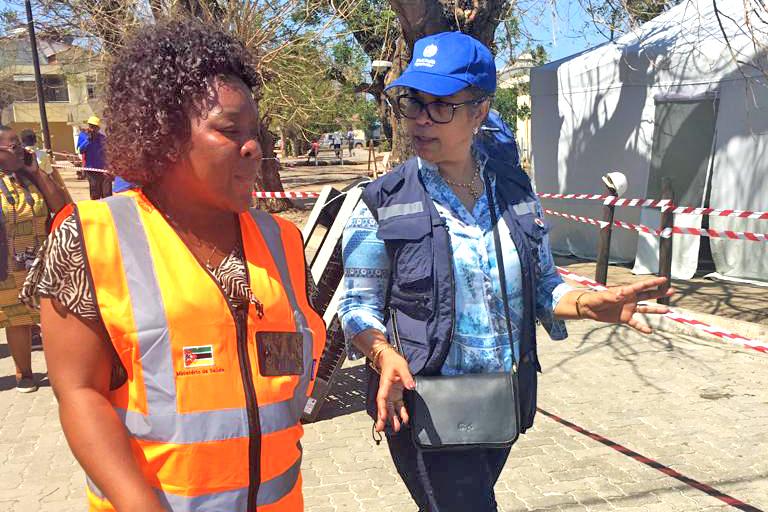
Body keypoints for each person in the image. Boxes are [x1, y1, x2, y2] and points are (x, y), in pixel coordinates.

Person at [337, 31, 675, 512]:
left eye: (441, 105)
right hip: (423, 403)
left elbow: (544, 286)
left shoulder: (514, 192)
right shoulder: (381, 202)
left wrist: (586, 303)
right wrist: (382, 354)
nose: (420, 119)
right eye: (413, 102)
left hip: (501, 401)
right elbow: (357, 307)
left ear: (479, 111)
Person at [22, 19, 325, 511]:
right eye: (228, 131)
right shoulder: (91, 239)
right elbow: (79, 392)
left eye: (255, 132)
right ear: (162, 135)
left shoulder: (282, 239)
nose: (253, 147)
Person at [0, 126, 69, 392]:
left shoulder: (32, 177)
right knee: (16, 319)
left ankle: (64, 372)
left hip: (42, 261)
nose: (23, 150)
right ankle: (24, 372)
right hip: (7, 265)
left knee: (53, 318)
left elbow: (62, 209)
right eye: (15, 146)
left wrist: (37, 172)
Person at [76, 116, 112, 199]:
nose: (92, 129)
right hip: (91, 169)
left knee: (107, 194)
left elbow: (107, 153)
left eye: (95, 127)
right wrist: (88, 140)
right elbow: (80, 150)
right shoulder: (83, 136)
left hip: (103, 170)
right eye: (91, 126)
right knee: (95, 193)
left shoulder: (102, 138)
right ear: (88, 126)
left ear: (98, 128)